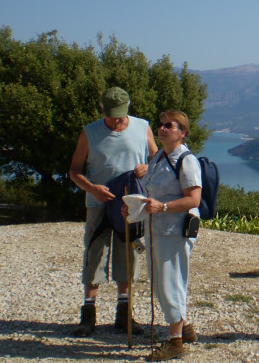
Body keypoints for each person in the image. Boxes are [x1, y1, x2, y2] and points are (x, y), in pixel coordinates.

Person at [68, 86, 158, 337]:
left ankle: (124, 315)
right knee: (95, 253)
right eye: (111, 115)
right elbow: (74, 170)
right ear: (102, 109)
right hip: (99, 203)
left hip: (131, 204)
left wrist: (146, 168)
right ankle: (88, 316)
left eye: (119, 115)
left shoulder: (142, 127)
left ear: (128, 107)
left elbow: (157, 159)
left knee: (128, 255)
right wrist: (92, 188)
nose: (116, 120)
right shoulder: (89, 132)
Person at [135, 110, 202, 361]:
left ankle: (175, 342)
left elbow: (194, 199)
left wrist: (162, 207)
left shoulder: (186, 160)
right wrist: (135, 206)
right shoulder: (159, 157)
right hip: (157, 229)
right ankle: (184, 327)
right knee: (162, 280)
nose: (162, 129)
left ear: (182, 133)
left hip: (175, 230)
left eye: (169, 126)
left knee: (169, 282)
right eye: (161, 125)